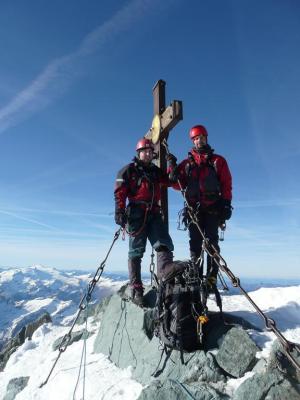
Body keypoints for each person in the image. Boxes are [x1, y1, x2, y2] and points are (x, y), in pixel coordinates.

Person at [114, 138, 186, 306]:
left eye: (150, 151)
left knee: (164, 243)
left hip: (153, 213)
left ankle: (164, 270)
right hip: (136, 214)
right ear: (138, 153)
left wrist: (172, 167)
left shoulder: (155, 171)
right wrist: (119, 210)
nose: (148, 154)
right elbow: (120, 192)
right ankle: (137, 289)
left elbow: (171, 181)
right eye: (144, 151)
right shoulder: (129, 171)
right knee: (136, 252)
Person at [168, 125, 232, 284]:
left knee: (212, 243)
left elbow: (226, 183)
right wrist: (172, 170)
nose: (199, 140)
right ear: (193, 141)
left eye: (202, 137)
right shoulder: (187, 164)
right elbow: (178, 185)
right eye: (196, 138)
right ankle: (195, 276)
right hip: (193, 211)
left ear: (206, 138)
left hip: (212, 209)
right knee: (195, 245)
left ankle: (211, 278)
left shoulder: (218, 161)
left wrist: (226, 203)